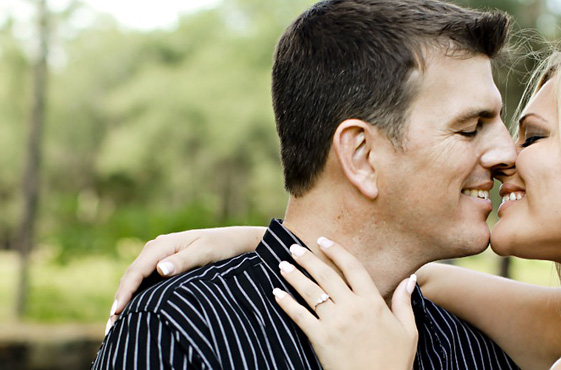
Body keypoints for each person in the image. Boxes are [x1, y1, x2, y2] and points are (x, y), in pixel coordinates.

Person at [115, 49, 561, 370]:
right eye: (482, 130)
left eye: (533, 135)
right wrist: (258, 239)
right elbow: (423, 277)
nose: (503, 158)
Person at [93, 0, 525, 368]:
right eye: (471, 128)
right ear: (361, 156)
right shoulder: (184, 330)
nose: (507, 153)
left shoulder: (477, 349)